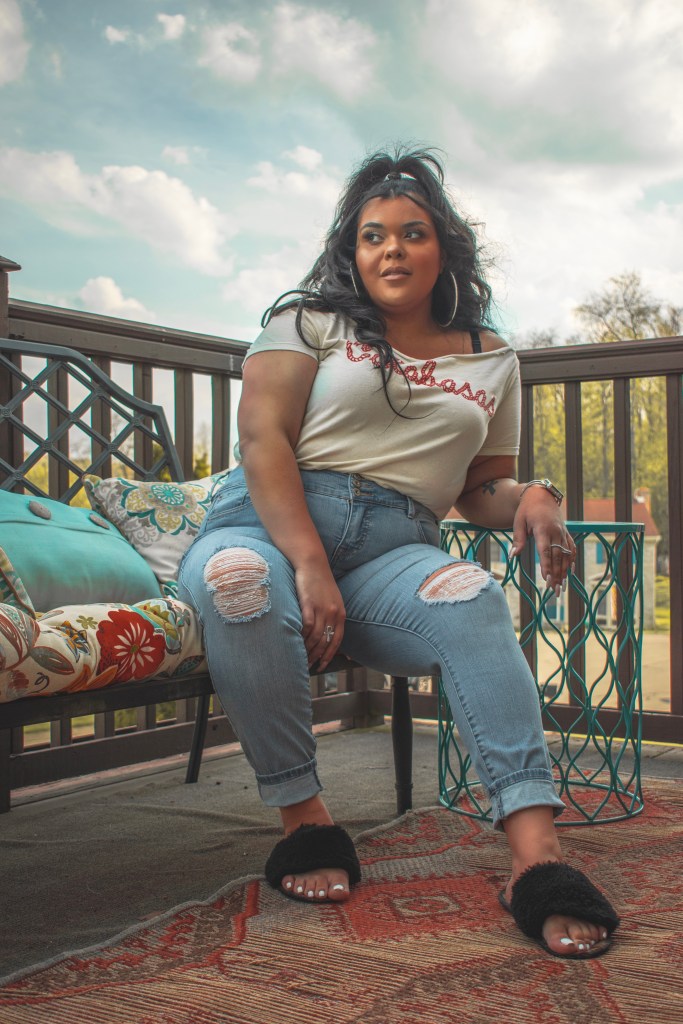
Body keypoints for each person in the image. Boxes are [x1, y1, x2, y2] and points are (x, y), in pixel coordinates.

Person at [178, 146, 619, 959]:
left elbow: (477, 489)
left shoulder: (491, 354)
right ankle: (306, 822)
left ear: (442, 248)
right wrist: (308, 563)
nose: (391, 249)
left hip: (395, 543)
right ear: (352, 250)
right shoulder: (308, 322)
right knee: (238, 582)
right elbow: (263, 439)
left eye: (412, 233)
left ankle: (536, 859)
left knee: (472, 598)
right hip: (268, 524)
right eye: (372, 235)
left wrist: (532, 494)